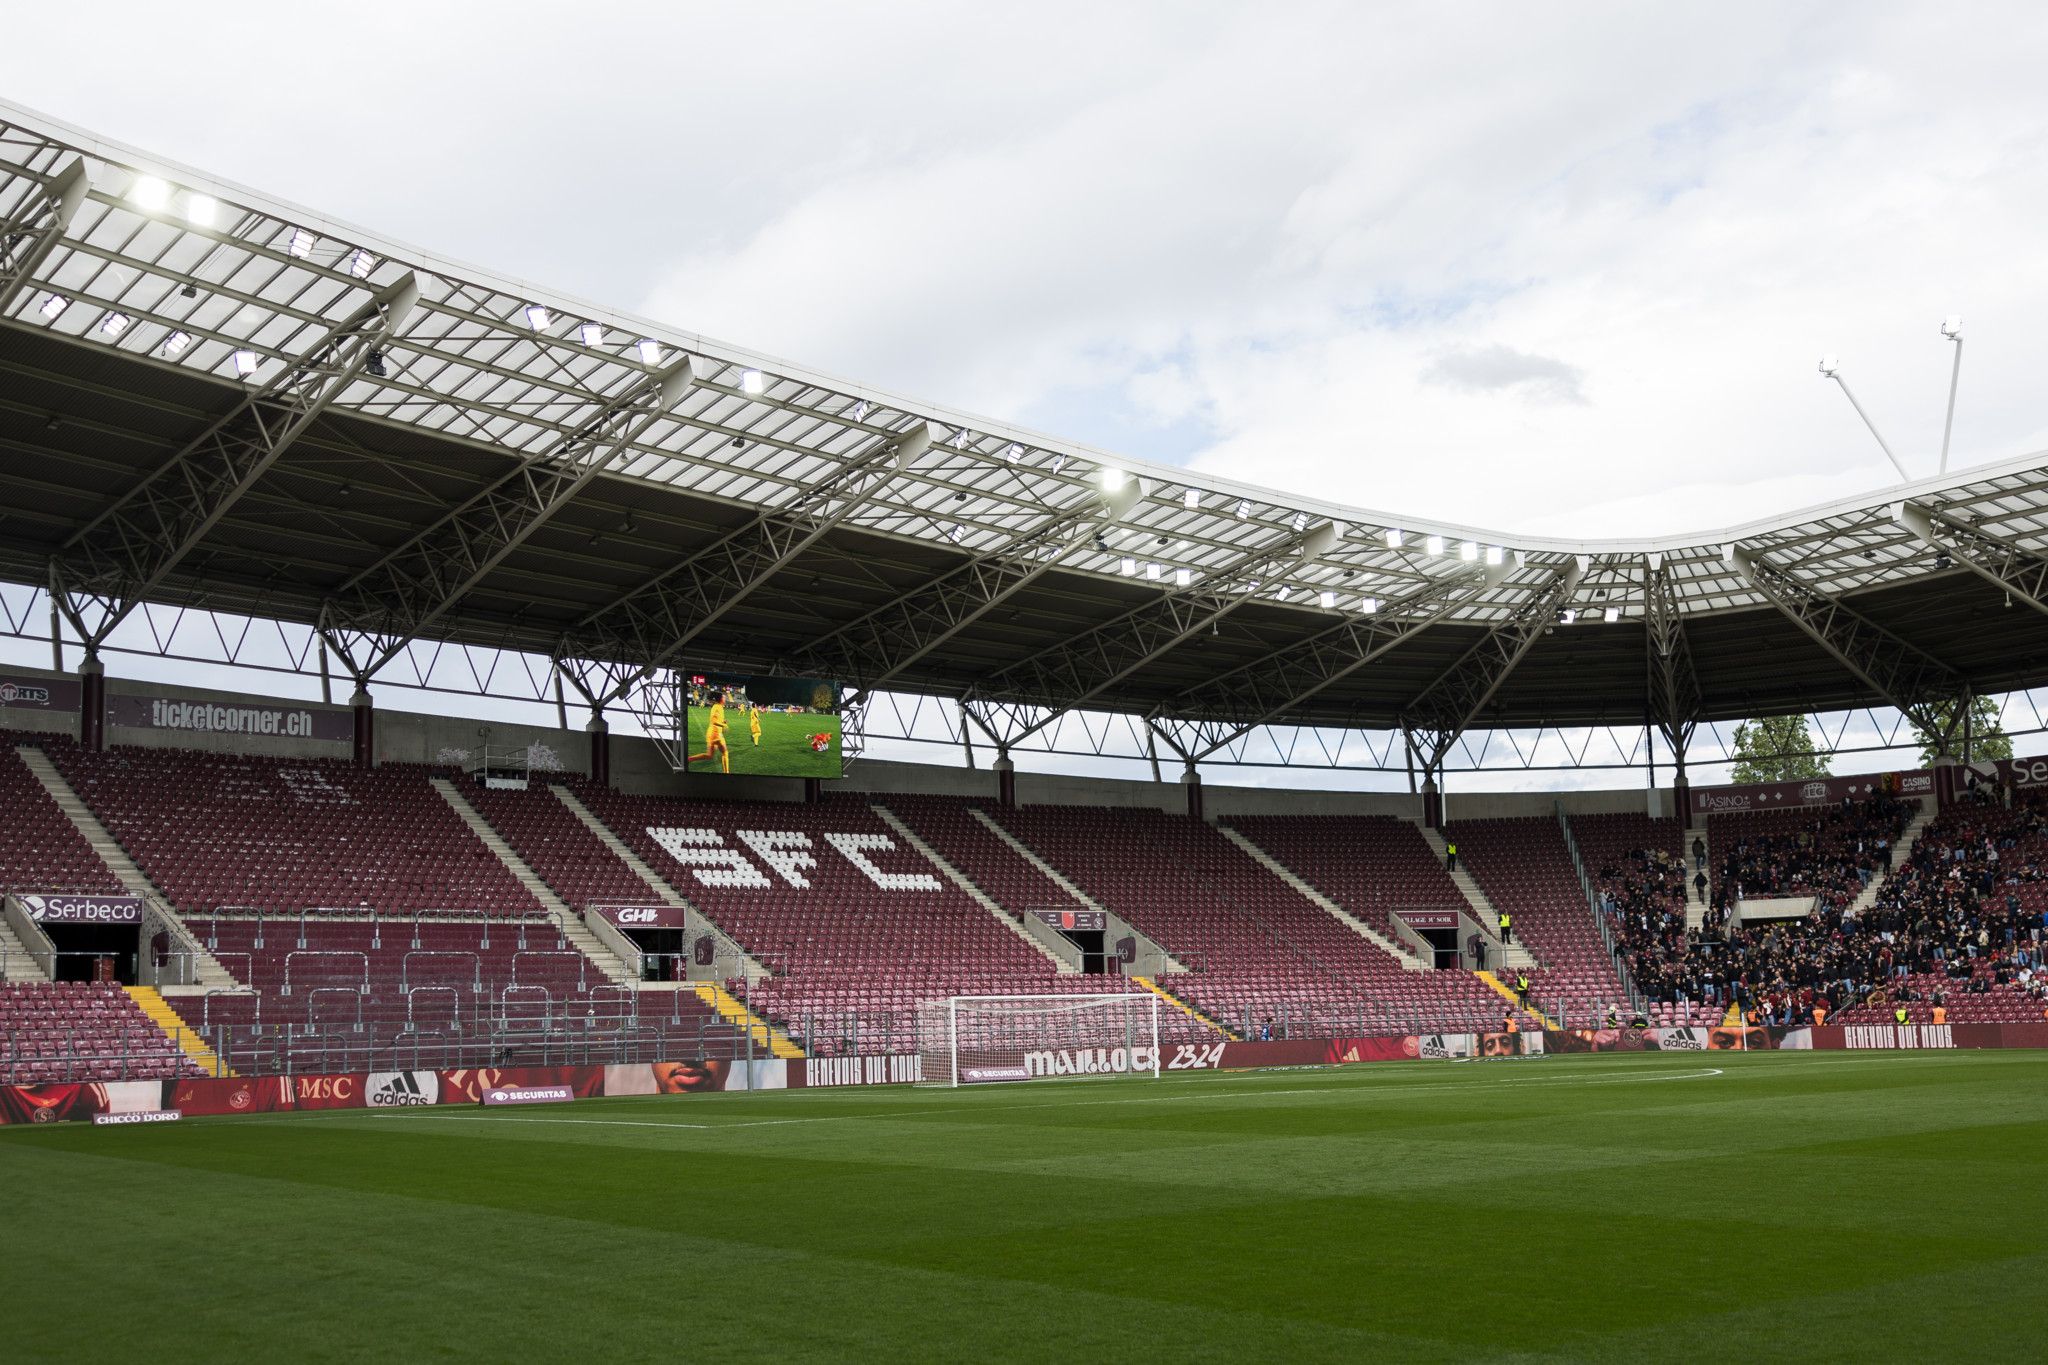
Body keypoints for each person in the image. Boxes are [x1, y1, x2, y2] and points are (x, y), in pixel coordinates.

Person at [688, 691, 733, 773]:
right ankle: (726, 773)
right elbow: (713, 721)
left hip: (712, 734)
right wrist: (724, 725)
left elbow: (717, 719)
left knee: (709, 755)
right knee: (725, 753)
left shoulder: (718, 707)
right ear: (720, 699)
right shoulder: (717, 707)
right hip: (716, 734)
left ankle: (690, 759)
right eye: (723, 697)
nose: (725, 698)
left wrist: (723, 722)